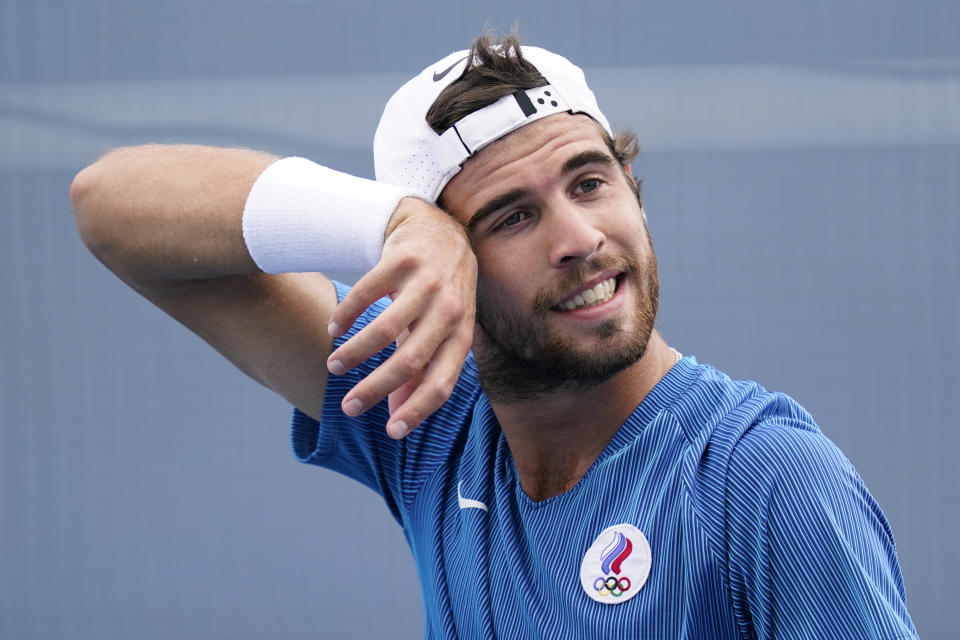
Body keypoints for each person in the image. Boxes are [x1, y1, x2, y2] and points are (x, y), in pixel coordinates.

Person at [71, 31, 917, 639]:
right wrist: (389, 224)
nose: (580, 238)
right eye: (513, 217)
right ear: (444, 267)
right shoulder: (428, 411)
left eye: (591, 181)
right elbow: (109, 207)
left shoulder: (766, 482)